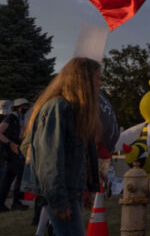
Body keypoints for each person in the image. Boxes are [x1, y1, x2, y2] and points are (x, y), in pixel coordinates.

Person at [21, 57, 102, 236]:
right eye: (97, 78)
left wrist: (87, 188)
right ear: (83, 81)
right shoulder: (58, 108)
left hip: (71, 193)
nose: (100, 84)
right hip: (61, 194)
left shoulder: (74, 112)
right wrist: (59, 201)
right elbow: (50, 160)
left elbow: (82, 157)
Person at [0, 97, 31, 212]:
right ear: (18, 108)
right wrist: (10, 143)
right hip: (11, 151)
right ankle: (14, 202)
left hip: (17, 149)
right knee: (16, 177)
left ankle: (6, 203)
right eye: (23, 107)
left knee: (10, 178)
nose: (26, 109)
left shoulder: (20, 118)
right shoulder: (11, 118)